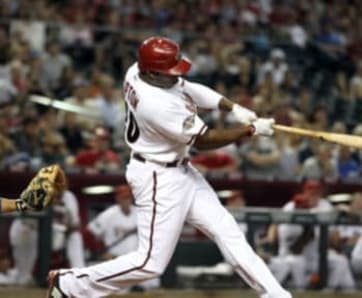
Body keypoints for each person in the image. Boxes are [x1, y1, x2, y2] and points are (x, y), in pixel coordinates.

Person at [47, 36, 291, 298]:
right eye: (169, 71)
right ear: (152, 71)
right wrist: (250, 130)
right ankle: (70, 283)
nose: (175, 76)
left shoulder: (138, 70)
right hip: (157, 176)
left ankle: (276, 295)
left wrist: (232, 107)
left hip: (180, 169)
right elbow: (204, 141)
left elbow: (188, 88)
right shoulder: (157, 105)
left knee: (227, 230)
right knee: (150, 263)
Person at [87, 184, 159, 292]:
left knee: (152, 285)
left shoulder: (140, 213)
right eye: (123, 198)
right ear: (118, 199)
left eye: (128, 198)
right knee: (121, 292)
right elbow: (90, 232)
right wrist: (102, 251)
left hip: (138, 260)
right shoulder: (108, 215)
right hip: (117, 260)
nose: (126, 201)